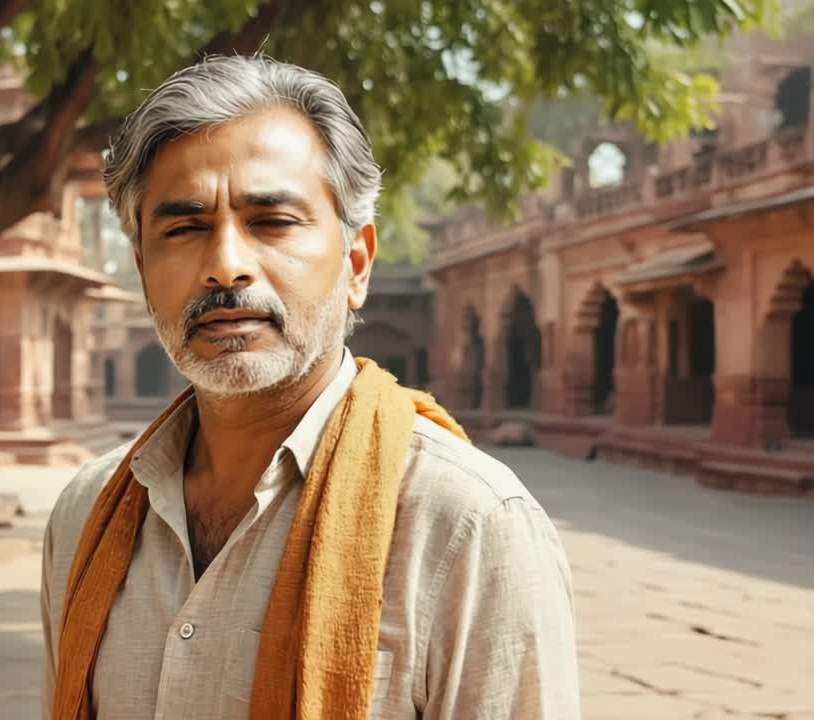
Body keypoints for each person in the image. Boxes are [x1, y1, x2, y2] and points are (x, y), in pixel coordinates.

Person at [41, 55, 579, 719]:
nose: (225, 266)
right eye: (184, 228)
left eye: (272, 221)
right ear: (144, 268)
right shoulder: (87, 514)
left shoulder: (465, 524)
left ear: (356, 264)